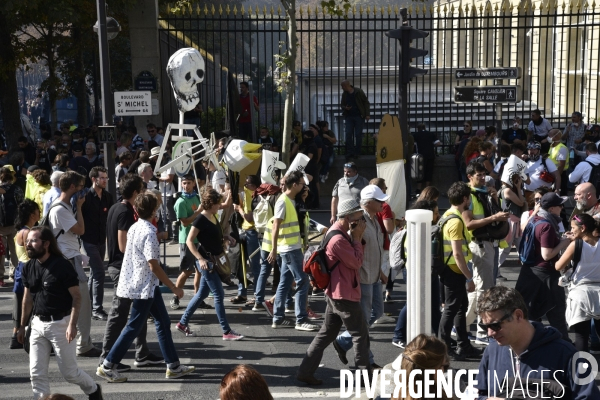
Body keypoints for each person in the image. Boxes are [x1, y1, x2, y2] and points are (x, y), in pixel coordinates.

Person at [97, 193, 195, 383]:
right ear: (154, 210)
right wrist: (174, 287)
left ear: (136, 209)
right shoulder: (149, 231)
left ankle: (173, 365)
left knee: (162, 322)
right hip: (144, 287)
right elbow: (154, 265)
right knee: (134, 326)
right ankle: (108, 365)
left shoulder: (135, 227)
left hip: (142, 284)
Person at [17, 226, 103, 400]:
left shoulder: (62, 266)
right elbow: (27, 299)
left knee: (69, 373)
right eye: (27, 241)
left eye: (33, 240)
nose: (28, 244)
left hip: (61, 325)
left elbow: (76, 297)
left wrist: (72, 325)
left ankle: (93, 390)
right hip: (37, 325)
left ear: (46, 243)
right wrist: (21, 326)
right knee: (36, 373)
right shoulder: (28, 267)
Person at [476, 286, 600, 399]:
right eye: (484, 326)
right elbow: (479, 393)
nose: (490, 333)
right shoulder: (492, 351)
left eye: (495, 325)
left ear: (518, 315)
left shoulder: (566, 355)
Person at [296, 199, 370, 385]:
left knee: (327, 334)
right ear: (348, 217)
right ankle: (363, 377)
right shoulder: (338, 238)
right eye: (359, 217)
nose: (362, 222)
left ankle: (305, 371)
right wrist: (356, 239)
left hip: (336, 293)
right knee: (360, 335)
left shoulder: (340, 232)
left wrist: (356, 237)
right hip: (344, 294)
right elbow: (356, 262)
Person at [102, 174, 163, 370]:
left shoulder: (117, 207)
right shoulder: (125, 212)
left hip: (123, 266)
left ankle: (142, 353)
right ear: (136, 192)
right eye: (142, 190)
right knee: (120, 314)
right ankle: (108, 356)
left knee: (139, 311)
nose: (145, 192)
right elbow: (122, 245)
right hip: (123, 267)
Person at [175, 189, 244, 340]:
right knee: (219, 294)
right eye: (218, 202)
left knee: (202, 293)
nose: (220, 205)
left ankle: (182, 323)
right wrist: (200, 259)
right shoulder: (201, 219)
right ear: (211, 204)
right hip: (207, 263)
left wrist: (226, 237)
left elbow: (214, 235)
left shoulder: (213, 215)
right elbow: (189, 240)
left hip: (214, 260)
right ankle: (226, 331)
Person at [333, 185, 388, 368]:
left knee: (377, 313)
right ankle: (367, 360)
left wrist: (380, 272)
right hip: (363, 277)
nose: (383, 203)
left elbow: (375, 248)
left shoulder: (373, 218)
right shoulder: (358, 220)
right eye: (379, 200)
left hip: (374, 276)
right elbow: (352, 246)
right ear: (369, 203)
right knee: (362, 323)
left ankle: (342, 341)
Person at [47, 171, 100, 358]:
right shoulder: (61, 209)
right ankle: (84, 345)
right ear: (72, 187)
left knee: (67, 304)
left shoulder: (60, 207)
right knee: (83, 302)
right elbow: (81, 229)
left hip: (67, 258)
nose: (83, 191)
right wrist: (79, 207)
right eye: (80, 187)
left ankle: (62, 341)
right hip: (69, 260)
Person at [462, 162, 509, 345]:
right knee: (485, 290)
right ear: (470, 177)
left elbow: (495, 215)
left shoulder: (485, 192)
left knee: (480, 289)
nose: (483, 178)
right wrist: (494, 218)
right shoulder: (467, 196)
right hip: (479, 245)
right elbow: (469, 224)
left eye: (484, 174)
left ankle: (462, 325)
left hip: (490, 244)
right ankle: (482, 332)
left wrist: (495, 200)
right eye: (479, 175)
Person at [515, 192, 571, 340]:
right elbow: (547, 255)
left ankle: (531, 343)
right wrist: (564, 243)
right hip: (545, 274)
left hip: (529, 272)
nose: (562, 207)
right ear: (552, 209)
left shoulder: (534, 220)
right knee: (556, 311)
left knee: (531, 312)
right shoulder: (547, 225)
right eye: (559, 205)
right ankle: (564, 347)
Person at [269, 171, 319, 331]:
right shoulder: (283, 201)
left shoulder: (290, 200)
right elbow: (275, 225)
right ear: (295, 185)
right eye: (302, 183)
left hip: (290, 247)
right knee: (302, 281)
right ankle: (301, 319)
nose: (304, 186)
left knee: (284, 282)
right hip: (289, 248)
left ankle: (278, 318)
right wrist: (274, 249)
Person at [437, 182, 480, 361]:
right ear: (464, 199)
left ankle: (463, 345)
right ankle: (444, 347)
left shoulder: (447, 214)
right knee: (452, 309)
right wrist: (469, 277)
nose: (470, 201)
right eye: (469, 198)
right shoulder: (455, 221)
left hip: (450, 269)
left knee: (460, 308)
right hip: (454, 270)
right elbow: (457, 253)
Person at [391, 200, 442, 348]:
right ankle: (399, 335)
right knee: (413, 303)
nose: (438, 215)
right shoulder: (417, 230)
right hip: (415, 272)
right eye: (436, 212)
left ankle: (438, 337)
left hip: (427, 272)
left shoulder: (424, 228)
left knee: (433, 304)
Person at [554, 214, 600, 351]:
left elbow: (558, 266)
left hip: (581, 294)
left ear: (583, 228)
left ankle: (582, 368)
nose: (571, 230)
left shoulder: (575, 245)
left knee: (581, 336)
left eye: (573, 227)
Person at [80, 167, 113, 321]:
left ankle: (88, 306)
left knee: (94, 274)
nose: (105, 180)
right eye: (102, 178)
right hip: (88, 240)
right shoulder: (85, 196)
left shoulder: (107, 196)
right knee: (99, 273)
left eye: (106, 178)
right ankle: (97, 309)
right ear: (94, 179)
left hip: (101, 240)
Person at [170, 174, 203, 310]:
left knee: (200, 271)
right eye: (184, 183)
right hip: (187, 240)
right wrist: (198, 212)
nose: (186, 186)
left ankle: (198, 298)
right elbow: (185, 222)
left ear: (193, 184)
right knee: (187, 271)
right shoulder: (181, 201)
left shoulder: (196, 197)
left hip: (198, 239)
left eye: (188, 183)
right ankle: (175, 297)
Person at [10, 199, 40, 349]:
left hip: (20, 268)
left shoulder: (19, 231)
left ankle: (16, 336)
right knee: (28, 303)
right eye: (37, 211)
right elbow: (32, 254)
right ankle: (24, 337)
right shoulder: (28, 232)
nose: (39, 213)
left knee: (20, 303)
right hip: (27, 270)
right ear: (32, 214)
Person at [233, 175, 262, 304]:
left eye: (248, 184)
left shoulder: (254, 196)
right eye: (245, 183)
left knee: (254, 264)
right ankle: (242, 293)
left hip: (252, 232)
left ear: (255, 186)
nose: (245, 186)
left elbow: (249, 217)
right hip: (244, 231)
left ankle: (256, 294)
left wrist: (239, 209)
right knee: (241, 264)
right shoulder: (246, 193)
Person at [497, 172, 527, 271]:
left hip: (515, 221)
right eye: (516, 179)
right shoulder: (507, 190)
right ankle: (495, 270)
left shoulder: (507, 189)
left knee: (522, 247)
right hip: (511, 222)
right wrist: (518, 188)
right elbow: (521, 202)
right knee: (506, 249)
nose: (518, 181)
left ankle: (528, 269)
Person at [0, 166, 24, 285]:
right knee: (14, 250)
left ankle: (0, 277)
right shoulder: (17, 189)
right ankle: (14, 274)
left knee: (1, 252)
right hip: (14, 224)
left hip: (1, 226)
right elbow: (22, 204)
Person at [523, 141, 559, 208]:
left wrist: (557, 189)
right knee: (530, 212)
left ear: (538, 150)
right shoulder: (524, 161)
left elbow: (557, 176)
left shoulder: (545, 160)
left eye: (534, 149)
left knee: (545, 211)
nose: (531, 151)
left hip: (544, 193)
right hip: (529, 193)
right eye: (530, 149)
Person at [340, 79, 370, 160]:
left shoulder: (358, 91)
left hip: (358, 116)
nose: (342, 88)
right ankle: (350, 152)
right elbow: (342, 104)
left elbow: (365, 102)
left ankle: (357, 152)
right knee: (349, 134)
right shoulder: (344, 94)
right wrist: (345, 108)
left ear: (346, 85)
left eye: (342, 86)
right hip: (349, 116)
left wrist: (367, 114)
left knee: (358, 135)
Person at [413, 123, 441, 190]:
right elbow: (438, 143)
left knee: (419, 172)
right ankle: (427, 189)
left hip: (420, 156)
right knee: (429, 172)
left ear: (418, 128)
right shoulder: (431, 134)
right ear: (425, 128)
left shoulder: (415, 135)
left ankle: (418, 189)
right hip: (430, 155)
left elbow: (413, 145)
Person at [547, 128, 569, 195]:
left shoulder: (562, 148)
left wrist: (556, 179)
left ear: (556, 136)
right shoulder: (552, 146)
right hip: (553, 174)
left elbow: (561, 165)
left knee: (560, 196)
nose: (548, 137)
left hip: (559, 175)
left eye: (550, 135)